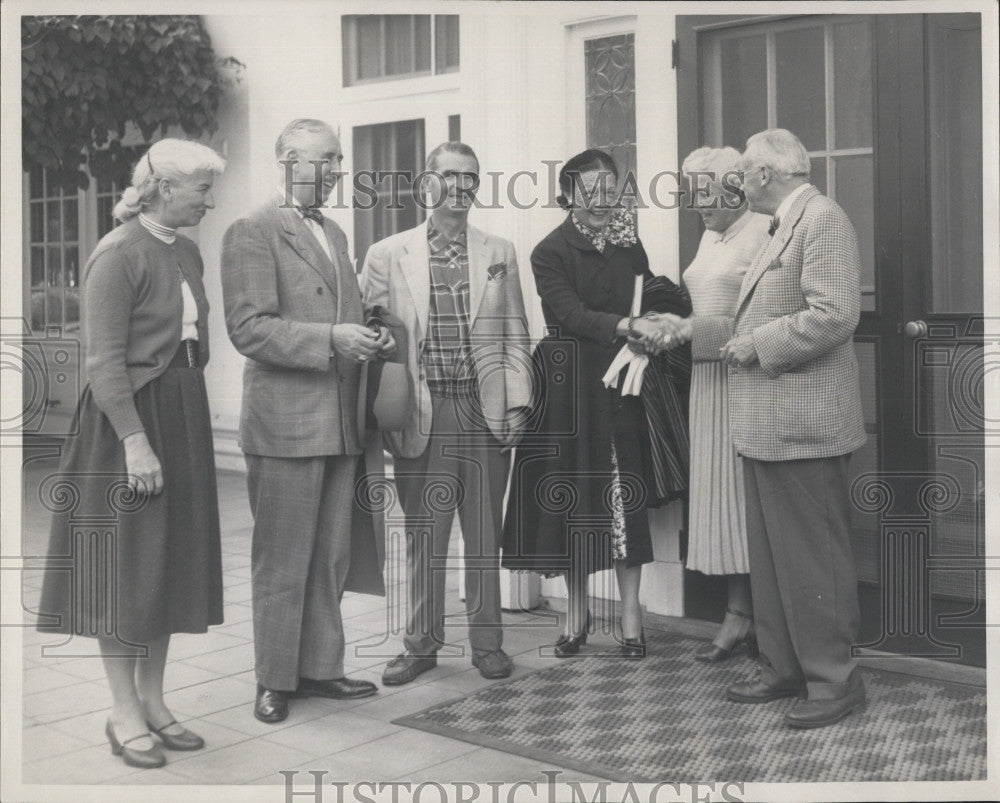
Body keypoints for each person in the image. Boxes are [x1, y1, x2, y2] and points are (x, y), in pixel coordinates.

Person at [37, 139, 226, 768]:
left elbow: (191, 339)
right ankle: (122, 712)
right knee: (125, 568)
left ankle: (154, 700)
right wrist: (136, 441)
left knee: (166, 561)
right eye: (201, 187)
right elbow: (102, 362)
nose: (209, 198)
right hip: (129, 423)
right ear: (165, 188)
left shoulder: (187, 250)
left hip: (182, 410)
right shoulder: (116, 254)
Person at [221, 119, 392, 724]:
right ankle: (273, 679)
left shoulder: (336, 231)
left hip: (339, 421)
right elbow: (248, 328)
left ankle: (320, 668)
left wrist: (369, 329)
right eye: (327, 159)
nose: (337, 170)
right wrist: (330, 338)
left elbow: (340, 310)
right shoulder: (252, 230)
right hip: (285, 425)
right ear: (289, 160)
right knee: (282, 557)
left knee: (330, 556)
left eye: (339, 159)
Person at [361, 141, 533, 685]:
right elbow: (371, 336)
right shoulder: (388, 254)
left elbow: (516, 335)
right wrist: (384, 406)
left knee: (484, 532)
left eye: (472, 178)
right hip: (423, 409)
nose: (462, 187)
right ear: (428, 183)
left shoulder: (500, 251)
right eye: (451, 176)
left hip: (483, 409)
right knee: (424, 534)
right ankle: (420, 644)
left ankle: (488, 643)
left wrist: (518, 403)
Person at [502, 149, 684, 658]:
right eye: (591, 191)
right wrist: (625, 326)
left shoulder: (630, 245)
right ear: (568, 196)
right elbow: (570, 313)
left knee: (626, 493)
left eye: (611, 190)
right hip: (569, 388)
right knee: (575, 499)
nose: (603, 200)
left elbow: (647, 300)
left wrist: (653, 327)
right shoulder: (549, 251)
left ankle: (630, 616)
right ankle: (576, 616)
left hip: (624, 384)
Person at [721, 128, 867, 728]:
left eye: (744, 174)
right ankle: (783, 666)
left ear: (764, 174)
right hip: (770, 426)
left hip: (803, 426)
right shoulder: (787, 220)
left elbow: (836, 314)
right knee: (776, 558)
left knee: (812, 561)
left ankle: (834, 683)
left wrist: (756, 344)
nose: (739, 184)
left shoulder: (821, 218)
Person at [649, 147, 771, 662]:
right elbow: (697, 301)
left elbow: (764, 318)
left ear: (735, 188)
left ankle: (766, 621)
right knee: (721, 502)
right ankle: (739, 612)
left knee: (750, 502)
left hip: (747, 380)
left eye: (703, 193)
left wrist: (693, 330)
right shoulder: (708, 234)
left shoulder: (766, 231)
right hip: (707, 382)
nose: (695, 204)